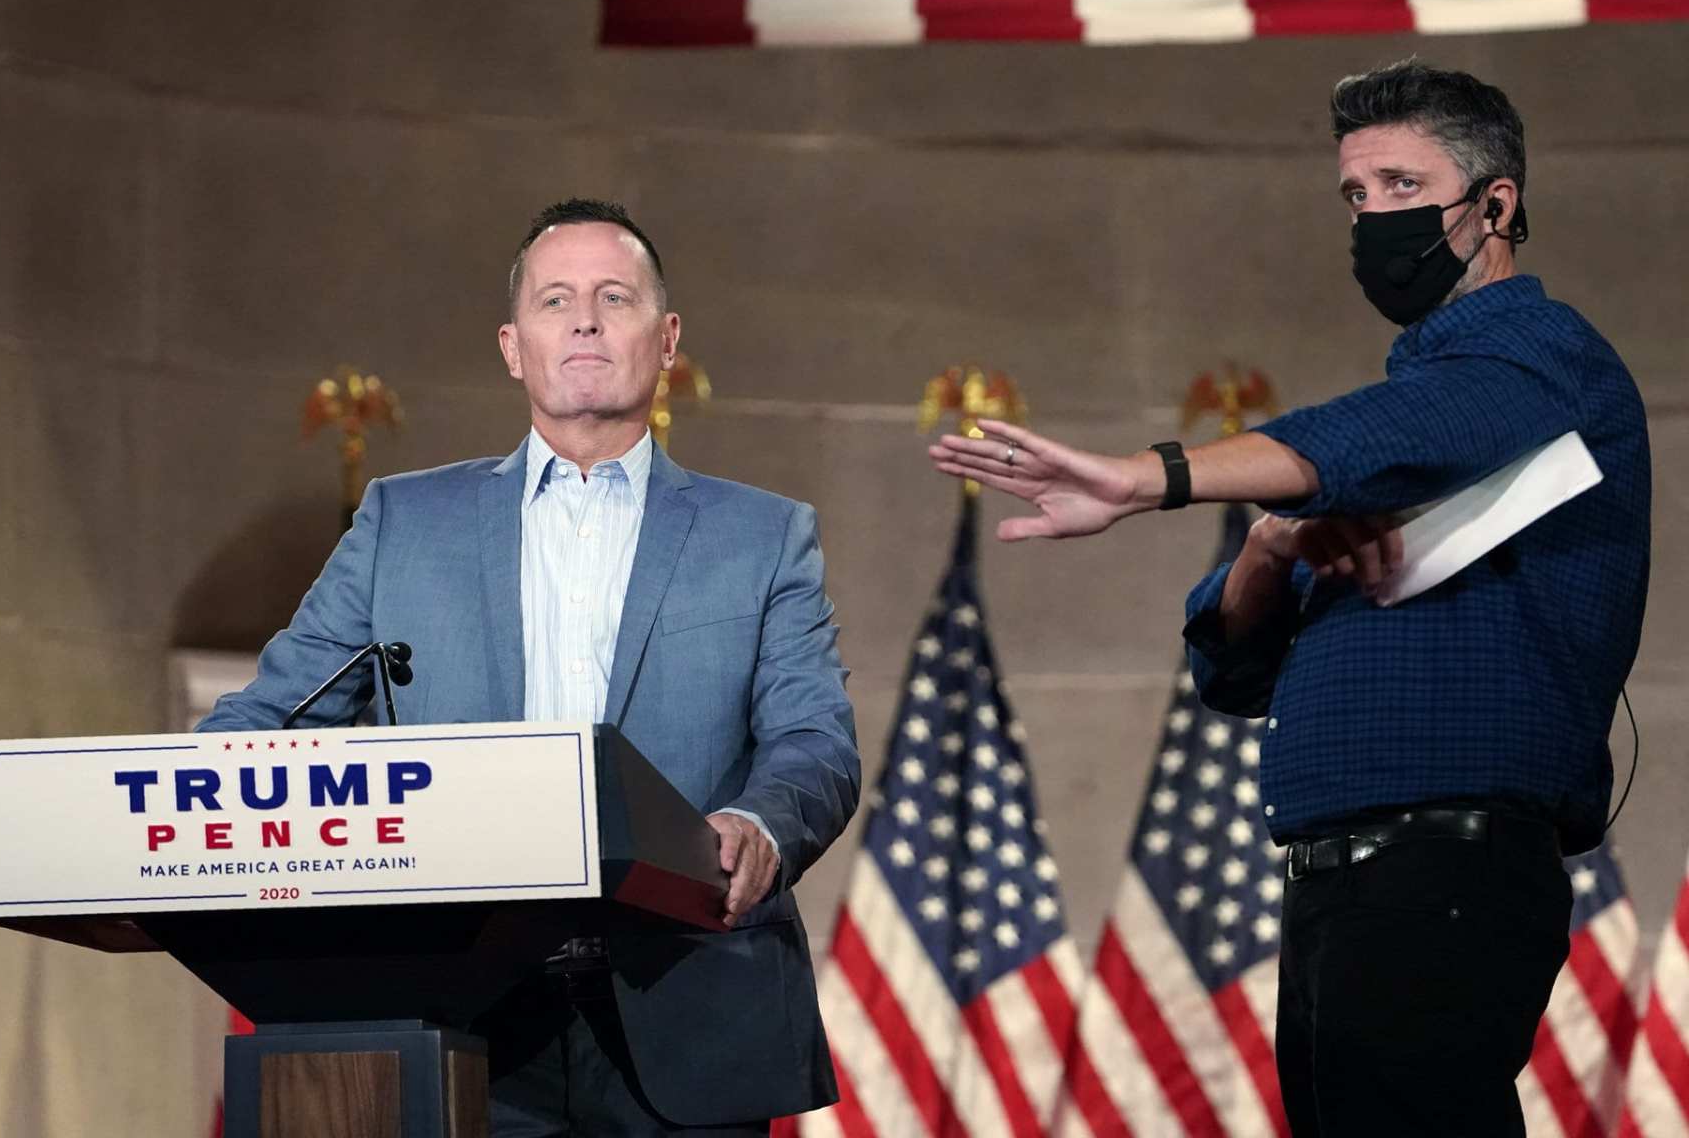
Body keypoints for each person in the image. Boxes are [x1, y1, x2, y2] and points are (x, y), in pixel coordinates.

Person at [929, 60, 1650, 1136]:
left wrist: (1146, 477)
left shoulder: (1538, 364)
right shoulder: (1398, 444)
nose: (1371, 220)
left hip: (1444, 869)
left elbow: (1380, 438)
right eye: (1354, 196)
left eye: (1402, 187)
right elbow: (1234, 666)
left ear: (1495, 204)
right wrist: (1270, 545)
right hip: (1343, 881)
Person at [199, 198, 861, 1135]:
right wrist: (173, 800)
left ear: (666, 338)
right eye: (556, 299)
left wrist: (759, 821)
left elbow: (815, 740)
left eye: (613, 297)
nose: (584, 318)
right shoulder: (402, 524)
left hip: (688, 1007)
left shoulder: (764, 536)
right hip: (457, 1015)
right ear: (514, 347)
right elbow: (271, 716)